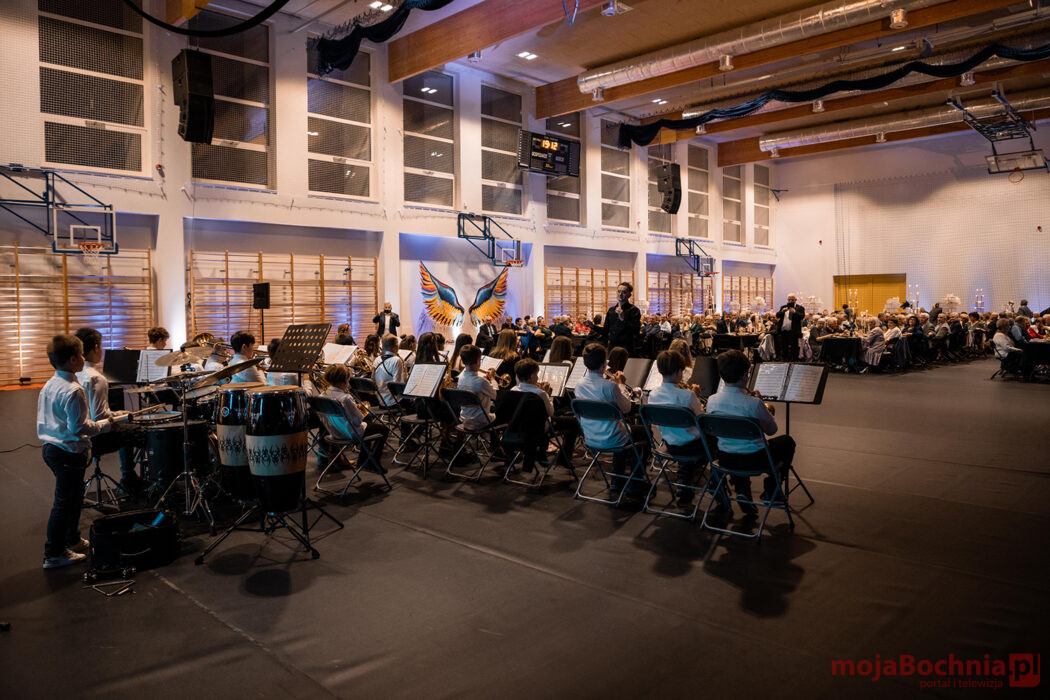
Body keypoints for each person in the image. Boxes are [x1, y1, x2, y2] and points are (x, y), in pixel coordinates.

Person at [38, 334, 124, 569]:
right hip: (67, 452)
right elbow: (80, 428)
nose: (84, 359)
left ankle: (72, 539)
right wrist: (108, 424)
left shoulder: (50, 384)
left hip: (53, 448)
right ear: (73, 359)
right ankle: (53, 553)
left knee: (74, 498)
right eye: (81, 355)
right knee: (63, 503)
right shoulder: (74, 390)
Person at [706, 350, 796, 515]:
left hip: (725, 458)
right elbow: (772, 431)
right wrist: (762, 406)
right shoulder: (754, 404)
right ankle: (772, 489)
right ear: (744, 376)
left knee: (737, 445)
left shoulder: (711, 401)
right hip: (755, 460)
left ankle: (743, 490)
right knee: (787, 442)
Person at [574, 343, 649, 496]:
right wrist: (620, 385)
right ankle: (635, 481)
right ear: (604, 364)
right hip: (613, 438)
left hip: (591, 437)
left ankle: (617, 480)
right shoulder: (610, 387)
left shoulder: (579, 385)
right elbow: (626, 408)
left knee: (618, 428)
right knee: (644, 433)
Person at [73, 328, 140, 494]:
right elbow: (100, 417)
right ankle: (129, 477)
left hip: (76, 433)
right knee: (139, 431)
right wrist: (121, 416)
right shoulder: (97, 378)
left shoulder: (75, 373)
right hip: (95, 437)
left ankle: (129, 477)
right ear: (96, 347)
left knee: (126, 425)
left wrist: (119, 413)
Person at [647, 350, 708, 507]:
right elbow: (702, 420)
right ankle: (714, 485)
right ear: (677, 372)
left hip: (670, 444)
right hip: (693, 446)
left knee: (686, 441)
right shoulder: (687, 396)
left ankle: (684, 480)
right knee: (714, 441)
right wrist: (695, 396)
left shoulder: (653, 395)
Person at [512, 358, 578, 467]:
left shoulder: (514, 390)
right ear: (532, 376)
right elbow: (551, 413)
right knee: (574, 423)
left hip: (519, 428)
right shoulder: (541, 393)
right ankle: (563, 459)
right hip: (538, 430)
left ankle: (541, 453)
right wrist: (549, 395)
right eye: (537, 374)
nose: (538, 377)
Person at [320, 364, 389, 464]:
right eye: (348, 380)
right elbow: (358, 420)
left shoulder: (322, 395)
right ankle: (370, 463)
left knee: (369, 424)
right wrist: (355, 409)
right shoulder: (345, 398)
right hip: (349, 434)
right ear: (343, 382)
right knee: (383, 429)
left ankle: (364, 459)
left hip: (333, 432)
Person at [455, 345, 499, 430]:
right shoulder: (481, 382)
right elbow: (495, 395)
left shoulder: (460, 379)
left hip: (464, 418)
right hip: (481, 421)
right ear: (478, 361)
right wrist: (492, 379)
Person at [604, 282, 642, 356]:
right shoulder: (611, 310)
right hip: (612, 347)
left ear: (629, 295)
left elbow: (636, 330)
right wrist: (592, 326)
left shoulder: (634, 310)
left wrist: (623, 319)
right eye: (619, 291)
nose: (620, 294)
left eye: (624, 292)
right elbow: (605, 330)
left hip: (627, 347)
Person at [373, 334, 405, 406]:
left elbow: (373, 380)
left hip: (380, 400)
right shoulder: (397, 360)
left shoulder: (377, 359)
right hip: (394, 401)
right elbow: (397, 386)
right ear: (394, 347)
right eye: (397, 345)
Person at [775, 294, 805, 361]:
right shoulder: (783, 307)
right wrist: (782, 311)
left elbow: (802, 316)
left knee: (794, 347)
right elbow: (777, 315)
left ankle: (794, 361)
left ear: (795, 300)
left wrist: (795, 312)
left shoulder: (800, 308)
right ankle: (784, 360)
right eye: (789, 300)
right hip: (784, 331)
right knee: (784, 347)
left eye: (792, 300)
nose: (790, 301)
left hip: (794, 331)